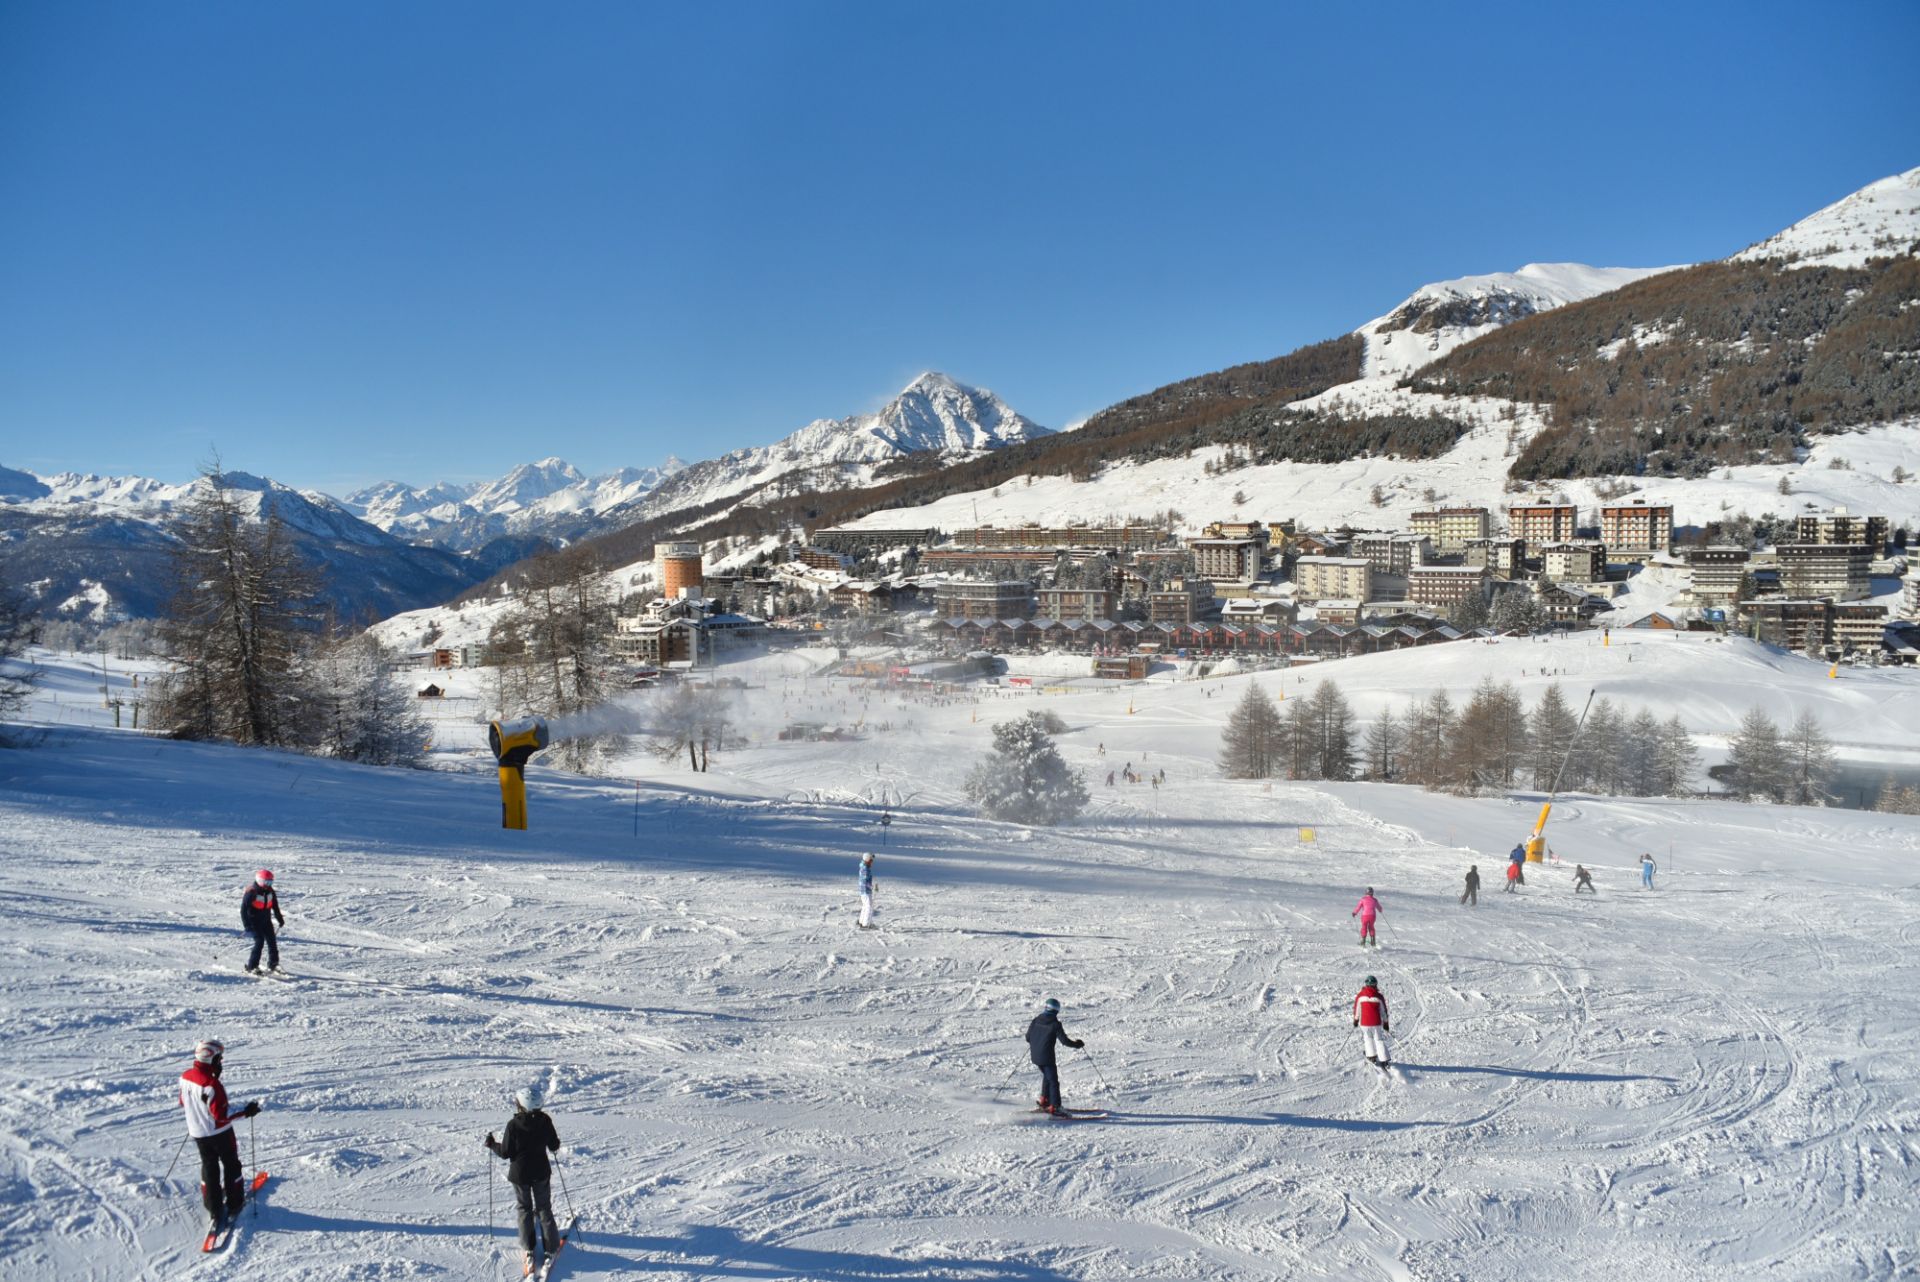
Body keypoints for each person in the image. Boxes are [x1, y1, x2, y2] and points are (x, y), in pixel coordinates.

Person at [179, 1039, 260, 1235]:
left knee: (209, 1166)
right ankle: (235, 1203)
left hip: (198, 1133)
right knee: (231, 1165)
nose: (221, 1062)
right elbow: (221, 1116)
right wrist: (246, 1111)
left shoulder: (185, 1076)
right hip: (219, 1133)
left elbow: (183, 1102)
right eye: (219, 1058)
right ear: (211, 1058)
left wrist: (199, 1112)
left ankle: (213, 1206)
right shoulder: (212, 1084)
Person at [485, 1086, 562, 1276]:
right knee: (544, 1208)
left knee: (524, 1208)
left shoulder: (513, 1125)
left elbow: (505, 1152)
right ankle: (551, 1248)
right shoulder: (545, 1120)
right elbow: (554, 1145)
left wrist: (492, 1144)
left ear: (523, 1105)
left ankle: (528, 1249)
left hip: (520, 1176)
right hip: (541, 1172)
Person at [1026, 997, 1084, 1115]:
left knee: (1047, 1077)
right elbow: (1064, 1041)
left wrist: (1038, 1041)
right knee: (1053, 1081)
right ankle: (1055, 1106)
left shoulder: (1036, 1020)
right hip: (1046, 1057)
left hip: (1035, 1056)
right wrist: (1077, 1044)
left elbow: (1028, 1037)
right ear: (1056, 1010)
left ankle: (1044, 1100)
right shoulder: (1055, 1024)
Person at [240, 870, 285, 975]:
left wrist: (279, 918)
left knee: (272, 942)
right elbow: (243, 910)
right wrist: (247, 925)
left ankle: (273, 964)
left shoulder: (270, 891)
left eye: (270, 882)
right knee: (259, 942)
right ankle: (252, 966)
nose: (268, 885)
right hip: (254, 922)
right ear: (260, 880)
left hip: (266, 921)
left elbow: (275, 905)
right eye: (266, 882)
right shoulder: (252, 892)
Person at [1352, 975, 1391, 1066]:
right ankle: (1384, 1059)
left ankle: (1371, 1056)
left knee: (1368, 1038)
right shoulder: (1379, 997)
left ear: (1366, 984)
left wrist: (1356, 1020)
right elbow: (1383, 1011)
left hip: (1364, 1023)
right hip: (1376, 1023)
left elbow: (1357, 1009)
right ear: (1375, 984)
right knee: (1378, 1039)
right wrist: (1385, 1023)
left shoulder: (1360, 996)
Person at [857, 852, 876, 929]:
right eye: (871, 860)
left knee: (865, 906)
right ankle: (866, 924)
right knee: (869, 907)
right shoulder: (865, 869)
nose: (872, 862)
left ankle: (861, 921)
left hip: (864, 891)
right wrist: (872, 887)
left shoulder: (864, 867)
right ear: (867, 860)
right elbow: (864, 882)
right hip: (866, 891)